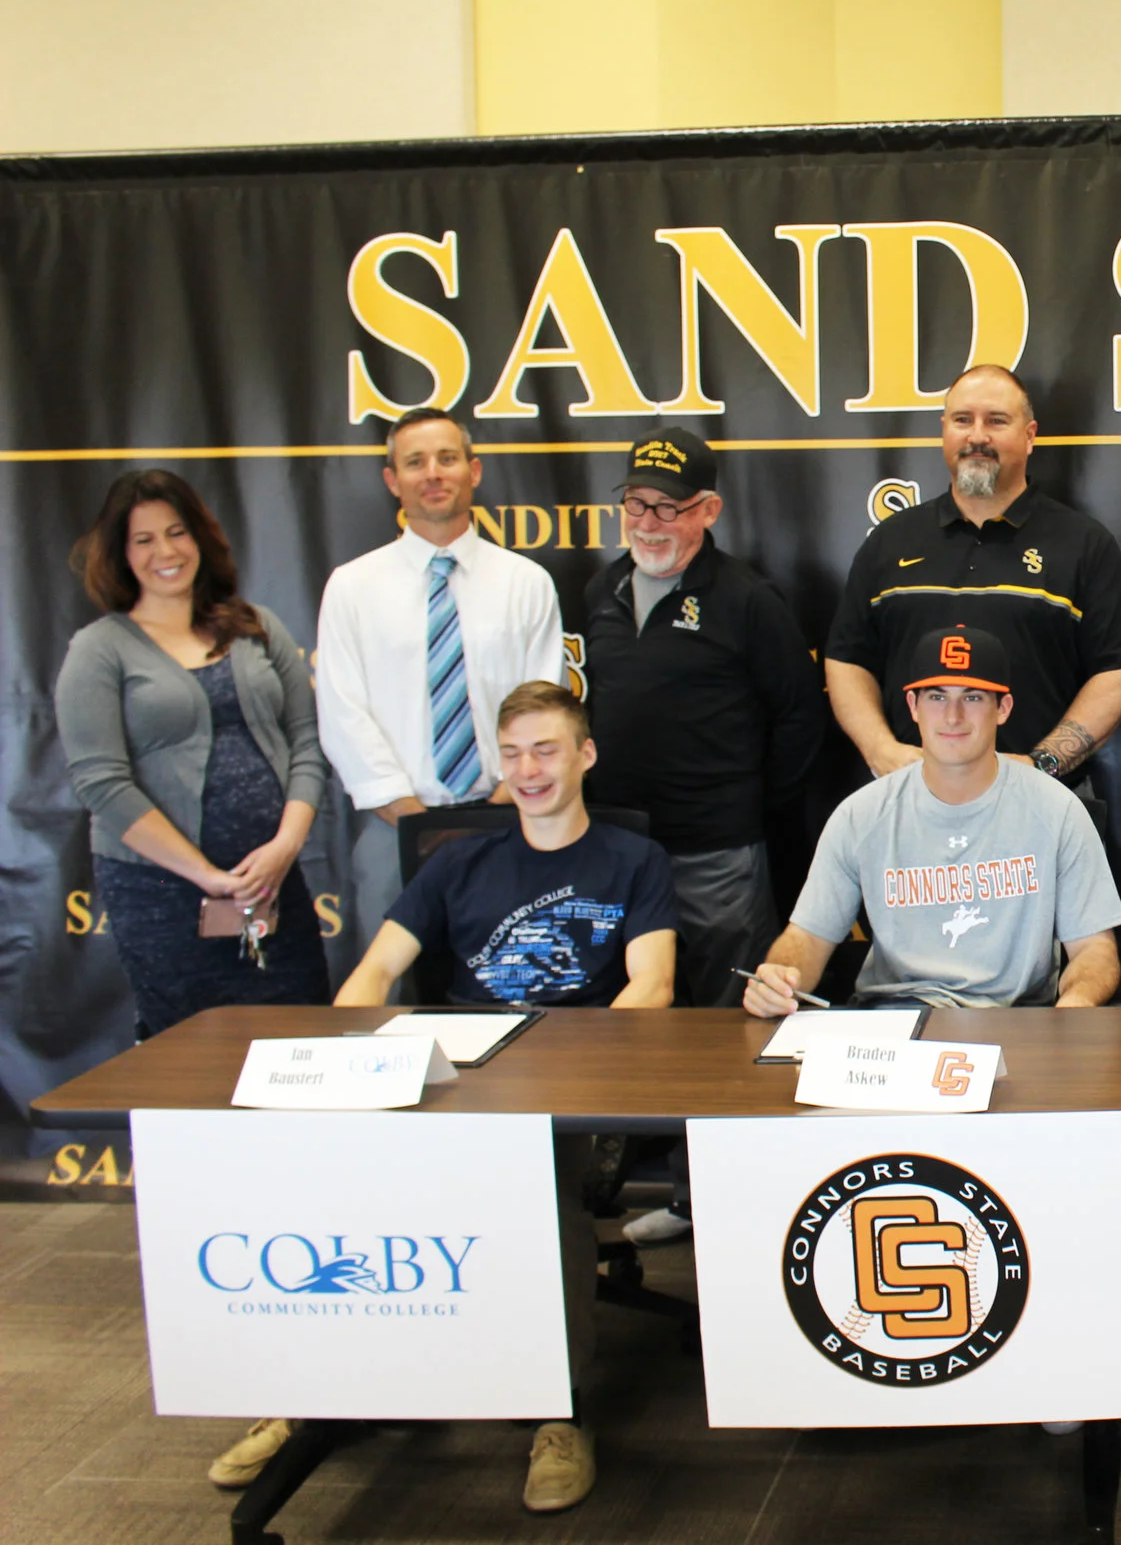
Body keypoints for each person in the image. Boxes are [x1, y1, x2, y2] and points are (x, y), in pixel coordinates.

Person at [208, 681, 676, 1514]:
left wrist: (565, 1057)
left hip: (571, 1082)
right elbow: (374, 973)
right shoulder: (457, 860)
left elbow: (651, 987)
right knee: (324, 1188)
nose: (528, 770)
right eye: (513, 753)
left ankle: (559, 1410)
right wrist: (348, 1059)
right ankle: (307, 1396)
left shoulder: (633, 859)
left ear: (585, 754)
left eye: (546, 749)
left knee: (542, 1197)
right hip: (449, 1075)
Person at [579, 428, 826, 1246]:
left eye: (669, 507)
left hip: (717, 851)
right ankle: (656, 1184)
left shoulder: (747, 599)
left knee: (728, 1027)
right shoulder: (601, 589)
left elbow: (799, 717)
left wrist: (744, 803)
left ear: (708, 510)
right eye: (636, 504)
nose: (649, 522)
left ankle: (735, 1201)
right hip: (619, 856)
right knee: (642, 1020)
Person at [56, 470, 331, 1037]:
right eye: (144, 539)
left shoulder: (257, 626)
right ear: (121, 554)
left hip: (272, 884)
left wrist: (284, 848)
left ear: (200, 537)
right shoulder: (99, 649)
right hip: (161, 895)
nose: (165, 552)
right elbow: (101, 782)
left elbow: (307, 741)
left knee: (301, 1041)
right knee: (192, 1054)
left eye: (176, 532)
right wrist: (205, 875)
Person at [740, 623, 1121, 1016]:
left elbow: (1094, 949)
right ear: (913, 706)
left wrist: (1076, 1003)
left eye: (972, 697)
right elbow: (806, 938)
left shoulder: (1058, 810)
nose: (953, 716)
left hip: (1015, 1021)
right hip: (894, 1022)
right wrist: (781, 978)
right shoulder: (861, 814)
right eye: (937, 697)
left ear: (1003, 708)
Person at [825, 364, 1121, 784]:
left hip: (1040, 801)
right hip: (909, 797)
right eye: (963, 420)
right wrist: (881, 751)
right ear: (944, 430)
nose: (977, 436)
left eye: (996, 421)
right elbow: (847, 661)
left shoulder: (1083, 543)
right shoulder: (889, 541)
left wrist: (1040, 766)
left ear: (1030, 435)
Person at [316, 406, 564, 947]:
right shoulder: (352, 588)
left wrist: (497, 809)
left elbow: (546, 707)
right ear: (392, 480)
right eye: (415, 462)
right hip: (393, 832)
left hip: (509, 822)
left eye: (447, 459)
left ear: (473, 471)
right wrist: (416, 823)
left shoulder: (526, 583)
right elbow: (342, 713)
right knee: (389, 989)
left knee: (513, 976)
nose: (433, 473)